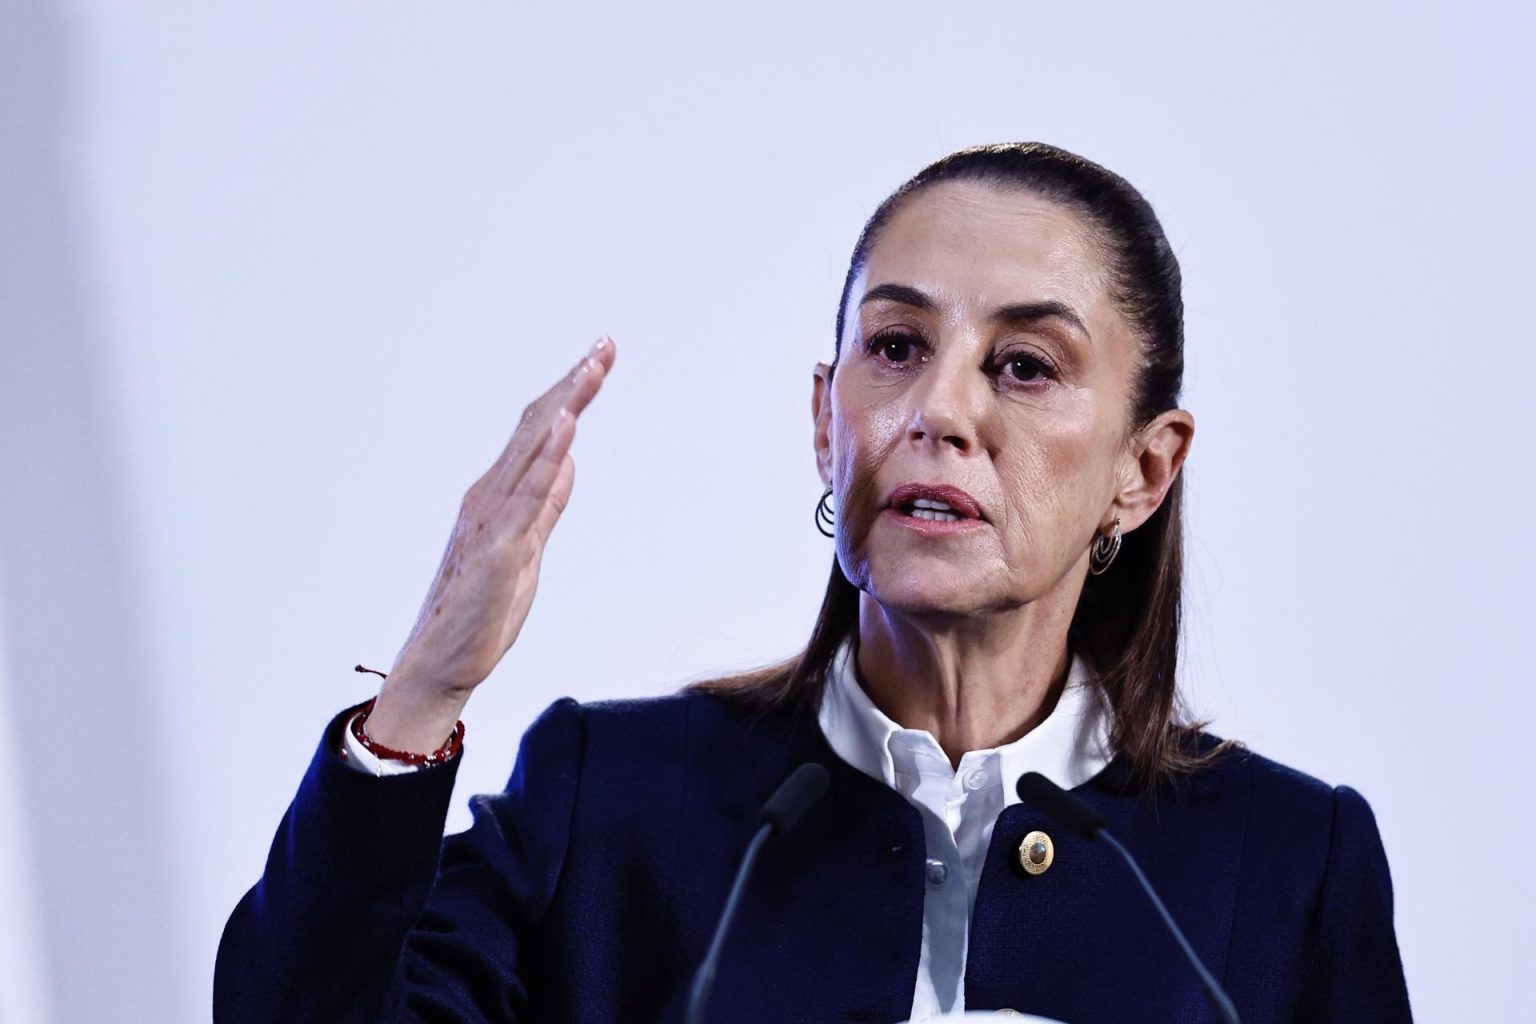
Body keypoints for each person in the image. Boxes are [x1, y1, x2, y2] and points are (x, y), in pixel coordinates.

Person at [213, 142, 1413, 1023]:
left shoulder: (1291, 865)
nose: (938, 411)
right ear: (825, 421)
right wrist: (424, 689)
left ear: (1142, 473)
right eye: (895, 347)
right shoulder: (608, 804)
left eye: (1025, 366)